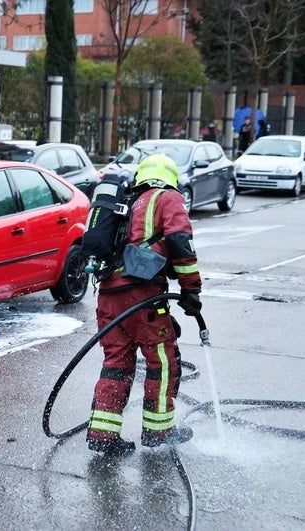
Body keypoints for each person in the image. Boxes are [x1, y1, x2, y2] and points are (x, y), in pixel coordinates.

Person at [85, 153, 202, 456]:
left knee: (117, 364)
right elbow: (180, 243)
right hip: (142, 296)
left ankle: (103, 435)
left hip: (109, 295)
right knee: (162, 361)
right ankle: (158, 431)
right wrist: (192, 289)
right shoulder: (167, 198)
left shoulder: (127, 203)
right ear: (171, 178)